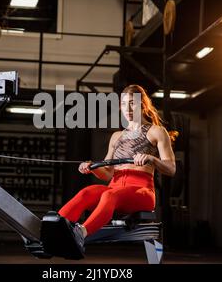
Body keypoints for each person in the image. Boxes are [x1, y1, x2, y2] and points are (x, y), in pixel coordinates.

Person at [58, 84, 176, 253]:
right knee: (87, 192)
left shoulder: (157, 132)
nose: (127, 108)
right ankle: (55, 228)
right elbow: (107, 173)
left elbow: (171, 169)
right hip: (115, 188)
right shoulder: (117, 136)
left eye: (132, 103)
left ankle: (80, 234)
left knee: (109, 194)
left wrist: (151, 159)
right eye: (123, 104)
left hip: (141, 191)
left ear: (143, 104)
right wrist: (92, 168)